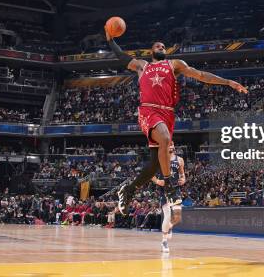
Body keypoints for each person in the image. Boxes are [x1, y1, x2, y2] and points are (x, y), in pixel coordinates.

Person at [106, 26, 247, 215]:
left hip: (167, 114)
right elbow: (122, 57)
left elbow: (201, 75)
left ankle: (129, 189)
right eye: (158, 46)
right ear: (151, 51)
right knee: (164, 139)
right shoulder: (142, 66)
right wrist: (110, 40)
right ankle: (170, 187)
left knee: (154, 164)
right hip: (148, 110)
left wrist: (228, 82)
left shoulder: (175, 64)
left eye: (164, 46)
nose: (161, 47)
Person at [152, 145, 185, 253]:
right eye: (168, 145)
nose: (170, 146)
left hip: (175, 190)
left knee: (178, 218)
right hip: (164, 190)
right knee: (167, 215)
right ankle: (164, 241)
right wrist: (157, 181)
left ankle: (169, 227)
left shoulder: (180, 160)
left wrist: (183, 179)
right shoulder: (160, 158)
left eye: (172, 144)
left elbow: (182, 175)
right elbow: (150, 174)